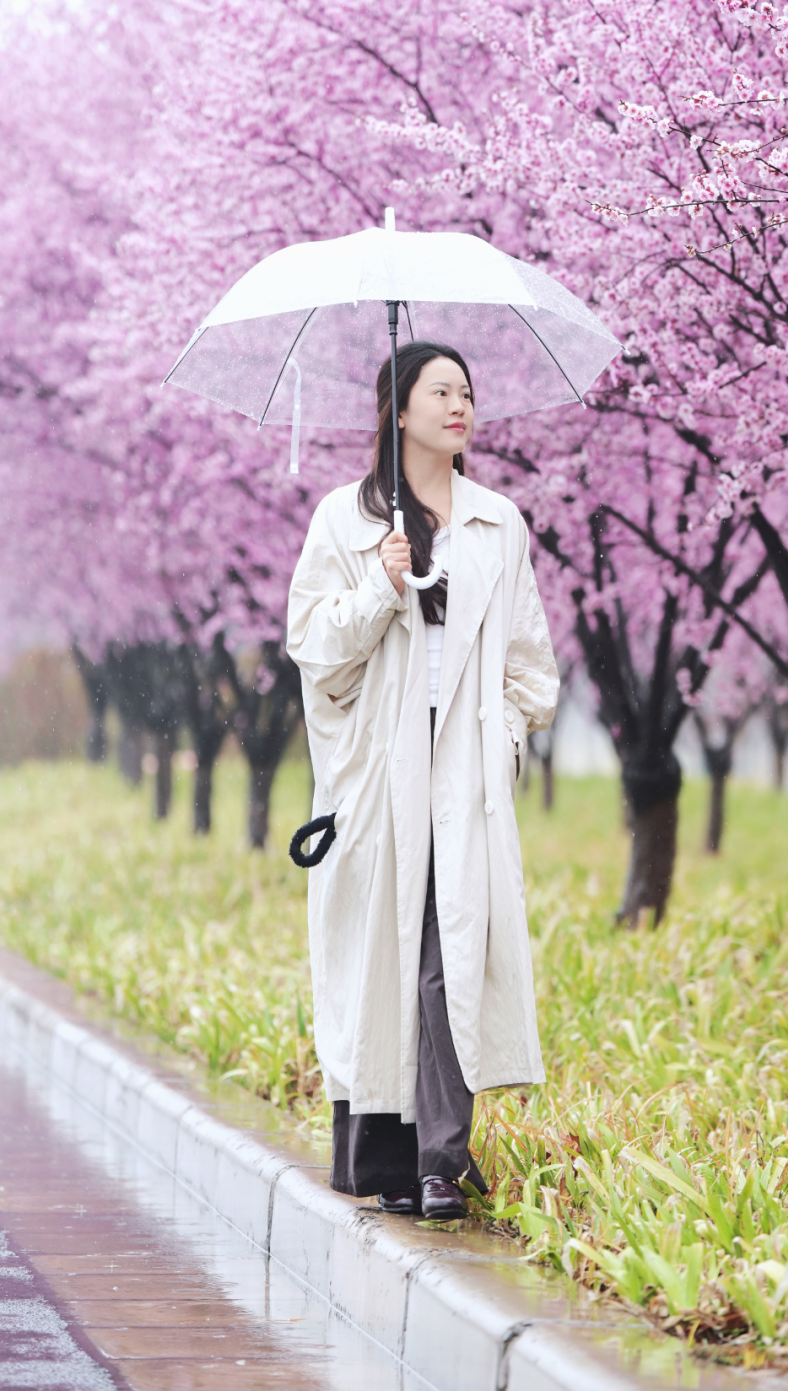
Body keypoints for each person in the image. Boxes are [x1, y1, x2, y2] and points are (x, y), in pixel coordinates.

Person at [287, 341, 559, 1221]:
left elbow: (529, 661)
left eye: (467, 392)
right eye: (440, 391)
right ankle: (388, 1161)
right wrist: (380, 582)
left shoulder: (498, 522)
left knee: (452, 956)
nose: (460, 406)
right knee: (384, 954)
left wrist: (504, 741)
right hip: (382, 770)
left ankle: (443, 1158)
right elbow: (315, 645)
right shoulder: (346, 519)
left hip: (467, 765)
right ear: (397, 411)